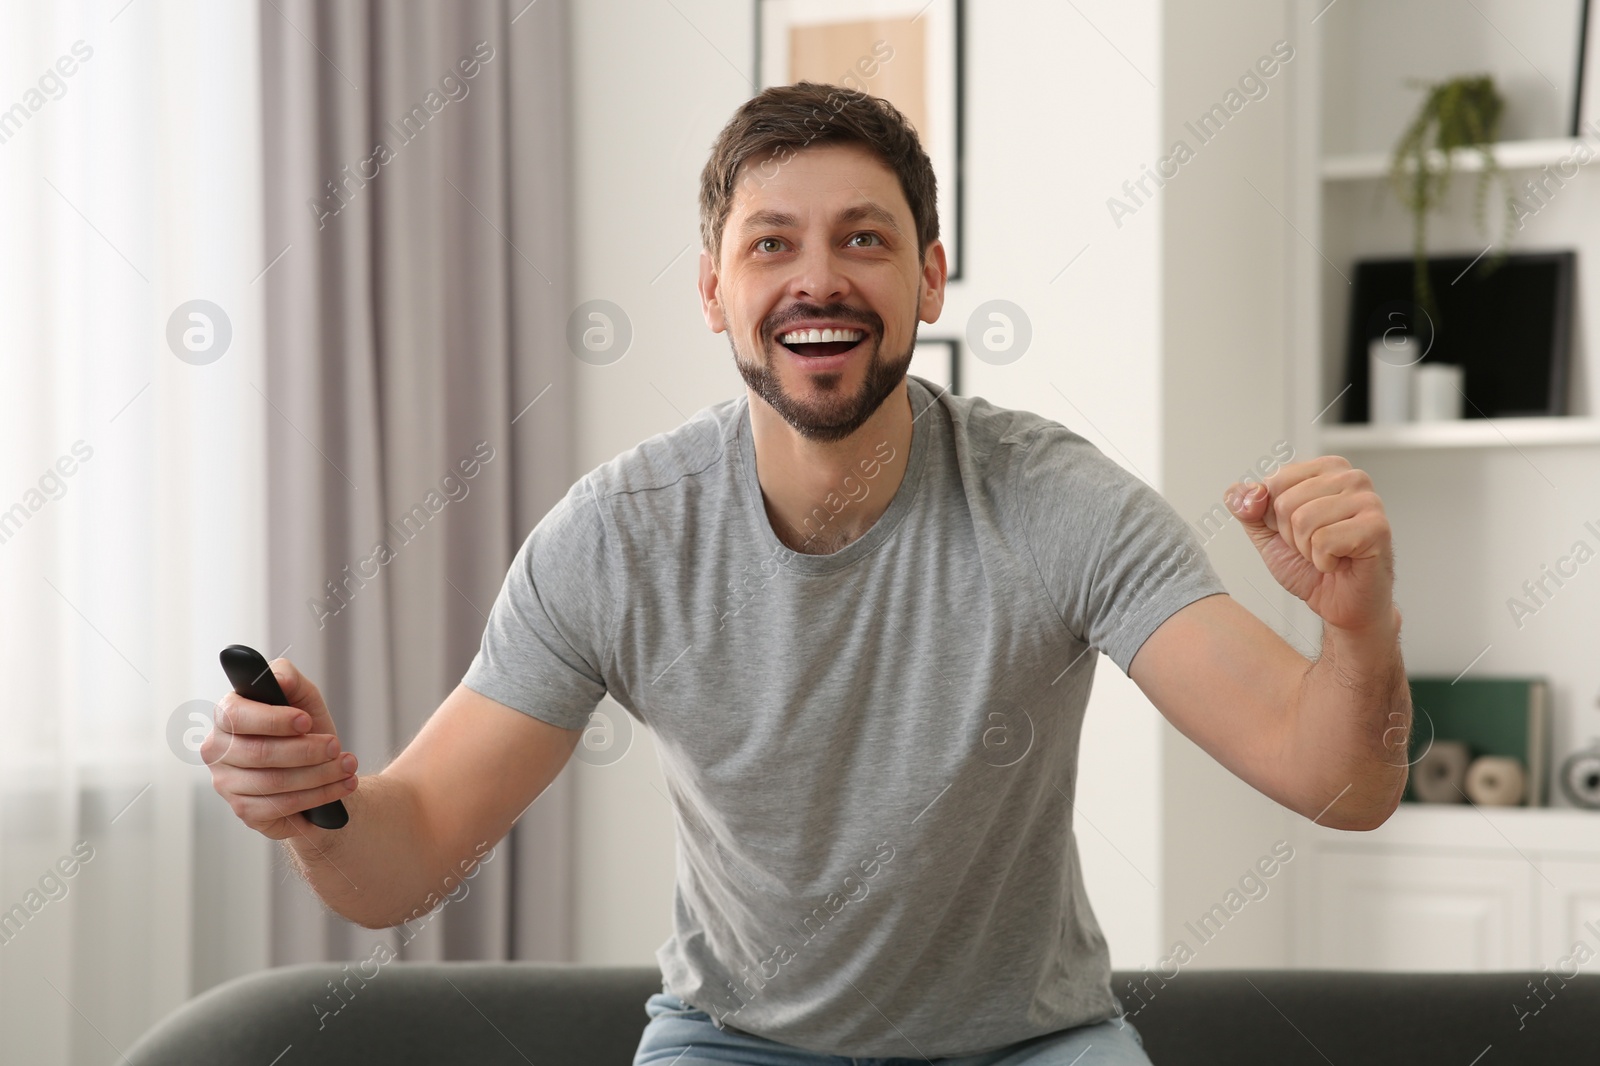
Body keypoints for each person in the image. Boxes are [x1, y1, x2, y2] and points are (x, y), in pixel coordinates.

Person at [203, 82, 1411, 1065]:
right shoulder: (617, 537)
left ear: (929, 280)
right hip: (733, 1043)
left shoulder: (1057, 500)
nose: (816, 280)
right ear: (714, 291)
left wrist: (1358, 632)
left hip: (1035, 1044)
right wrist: (314, 803)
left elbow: (1336, 782)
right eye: (770, 244)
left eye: (864, 241)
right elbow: (402, 861)